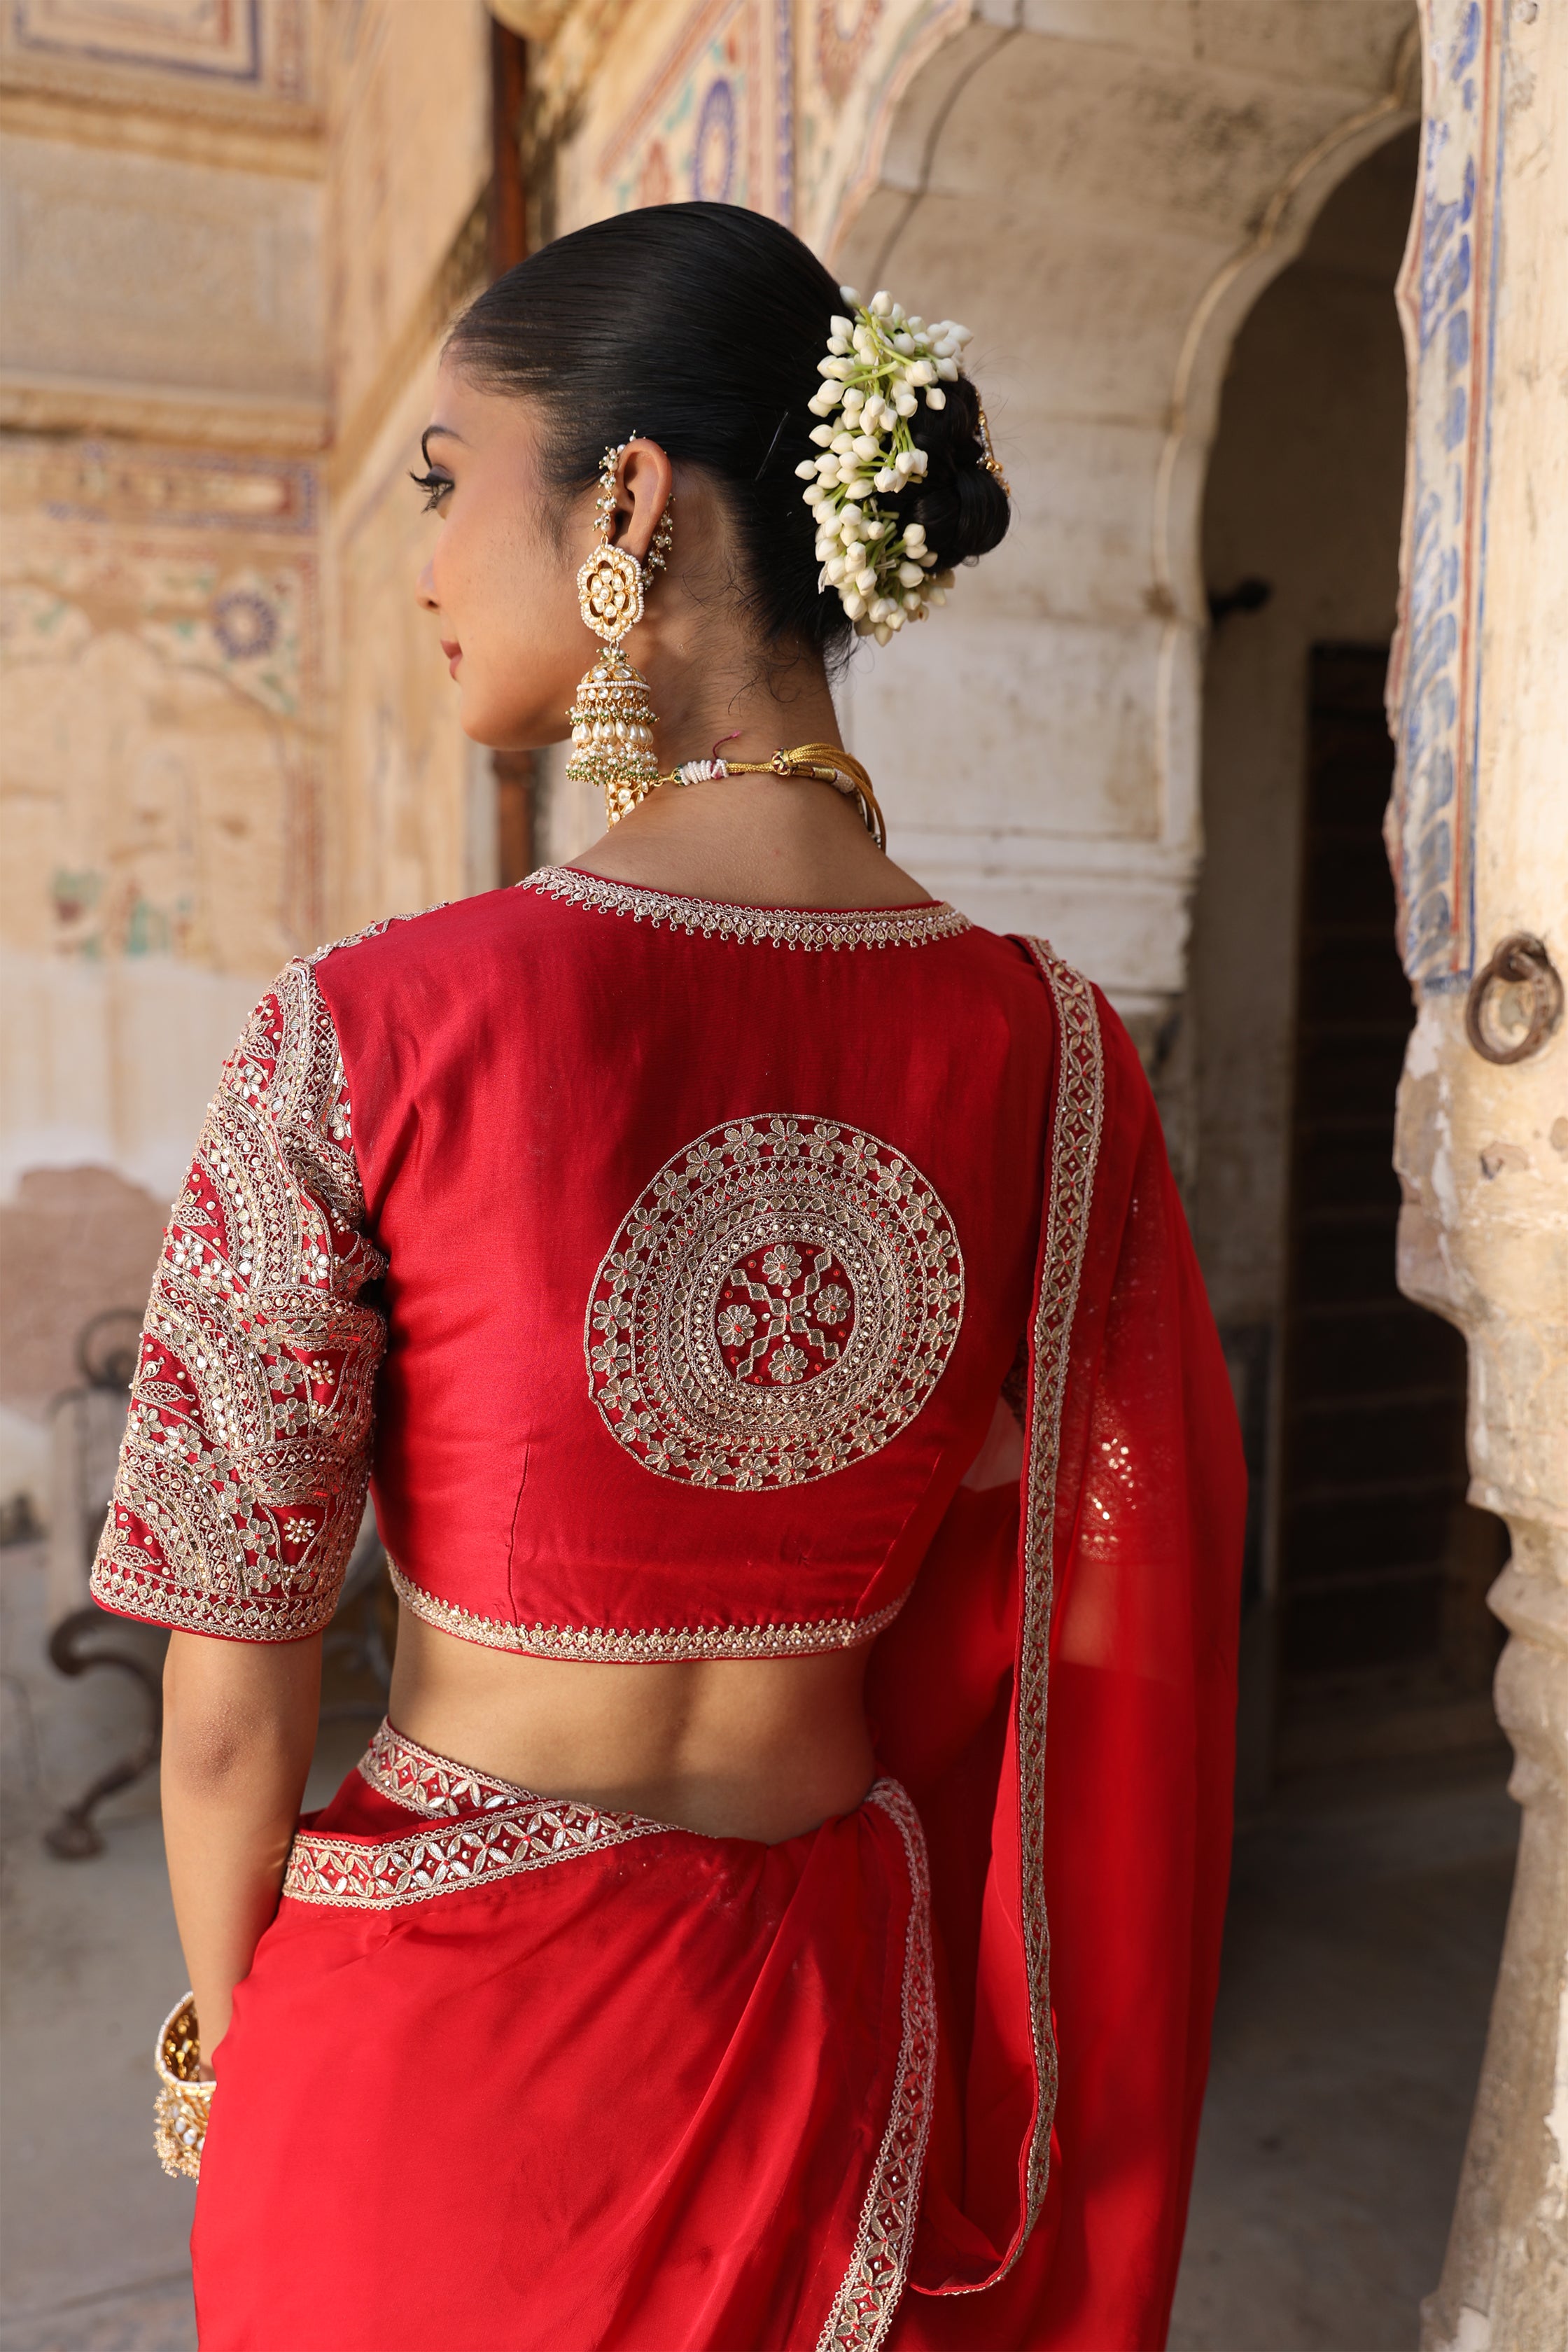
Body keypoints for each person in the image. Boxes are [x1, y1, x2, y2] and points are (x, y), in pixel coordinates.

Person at [92, 202, 1245, 2350]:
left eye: (447, 486)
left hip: (434, 2070)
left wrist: (237, 2075)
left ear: (628, 499)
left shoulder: (372, 1026)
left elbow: (228, 1695)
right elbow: (1091, 1603)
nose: (424, 564)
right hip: (841, 2052)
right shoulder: (1049, 1047)